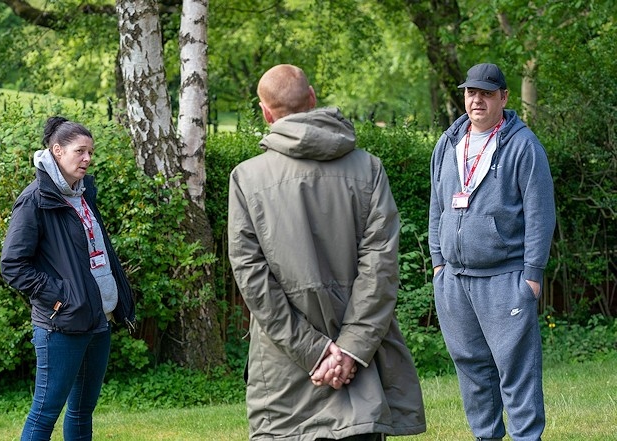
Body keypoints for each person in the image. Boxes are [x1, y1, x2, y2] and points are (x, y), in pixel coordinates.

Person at [227, 64, 426, 441]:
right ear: (313, 97)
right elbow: (381, 268)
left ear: (266, 111)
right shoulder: (368, 168)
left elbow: (253, 281)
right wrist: (350, 350)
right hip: (362, 367)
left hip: (285, 367)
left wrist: (315, 352)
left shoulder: (247, 178)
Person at [429, 63, 556, 441]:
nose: (477, 100)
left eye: (486, 93)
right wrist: (438, 264)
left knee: (516, 372)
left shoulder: (523, 146)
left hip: (506, 279)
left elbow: (540, 214)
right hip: (454, 280)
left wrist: (532, 276)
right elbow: (437, 205)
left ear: (503, 97)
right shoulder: (448, 142)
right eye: (471, 92)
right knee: (472, 372)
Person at [0, 116, 136, 441]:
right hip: (60, 326)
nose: (87, 158)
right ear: (57, 151)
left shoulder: (83, 192)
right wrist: (61, 297)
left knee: (80, 413)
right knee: (45, 414)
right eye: (80, 151)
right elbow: (13, 265)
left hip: (97, 320)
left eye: (91, 152)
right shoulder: (35, 201)